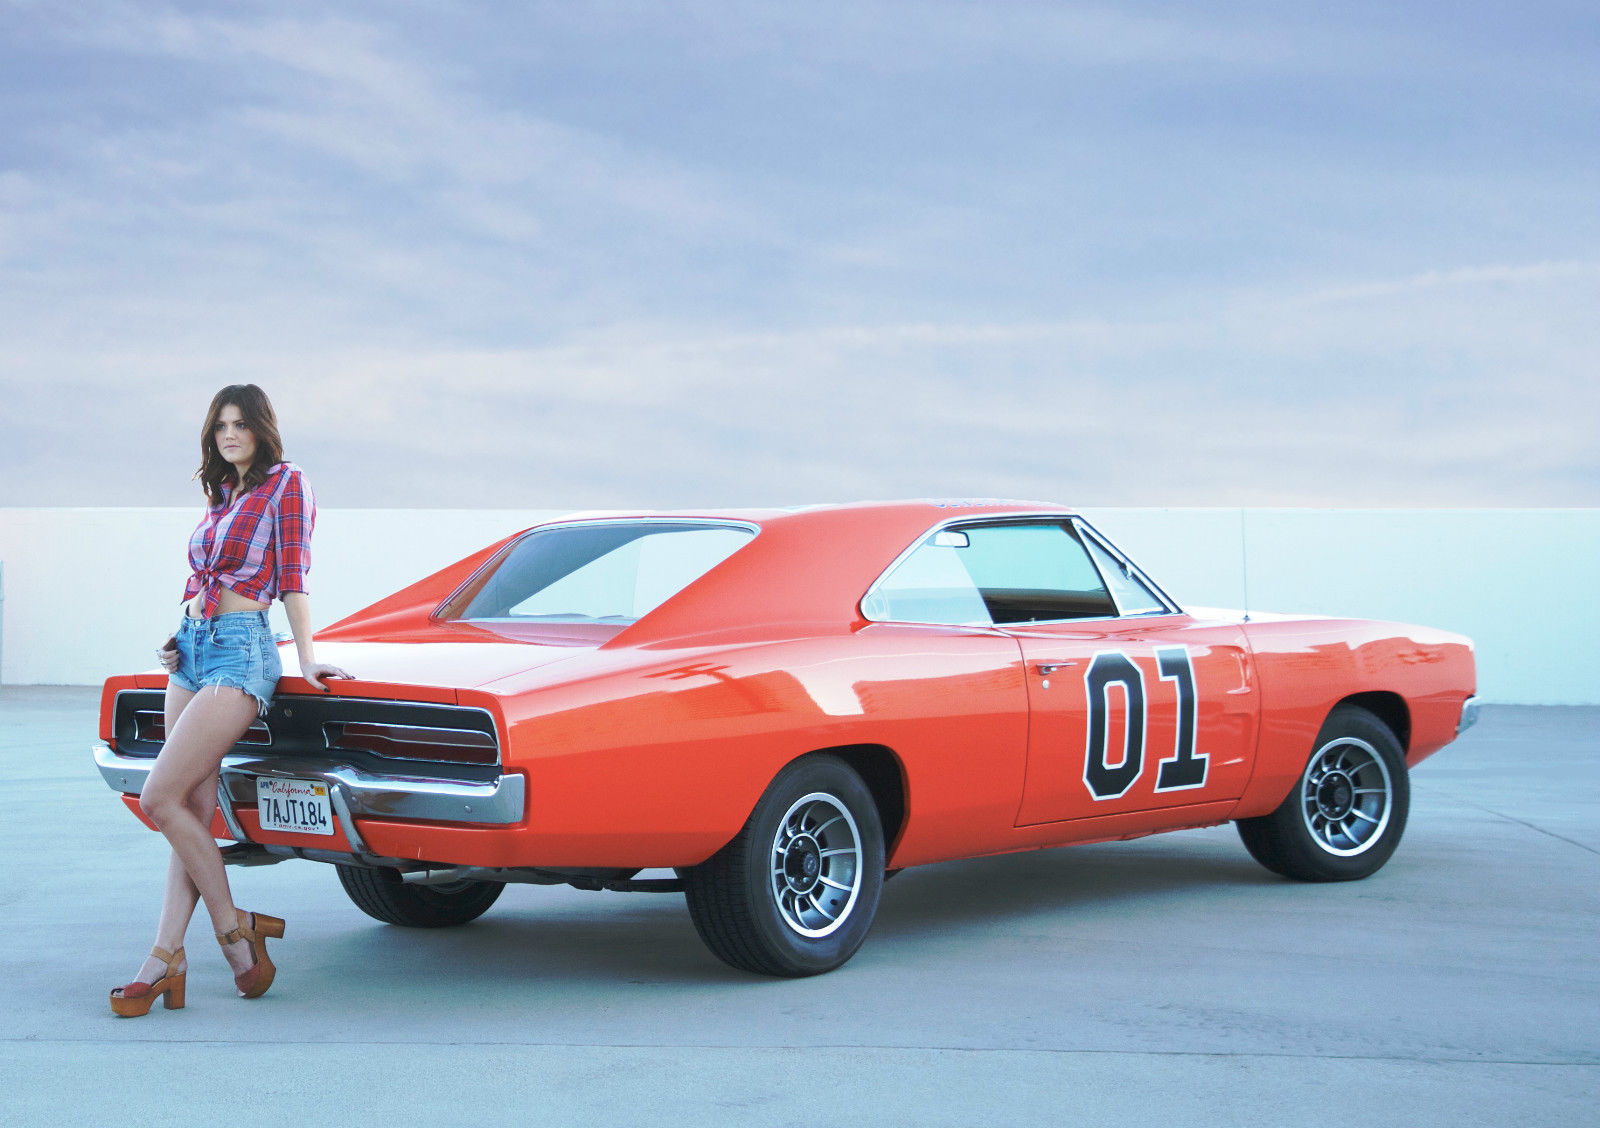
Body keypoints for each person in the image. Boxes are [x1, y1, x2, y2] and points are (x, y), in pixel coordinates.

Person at [109, 384, 351, 1017]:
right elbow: (200, 578)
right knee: (189, 805)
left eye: (240, 424)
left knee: (160, 797)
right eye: (221, 426)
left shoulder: (287, 484)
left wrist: (306, 656)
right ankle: (168, 956)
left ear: (261, 428)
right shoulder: (222, 493)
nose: (230, 434)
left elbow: (293, 575)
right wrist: (177, 635)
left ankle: (232, 929)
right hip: (190, 652)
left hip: (241, 654)